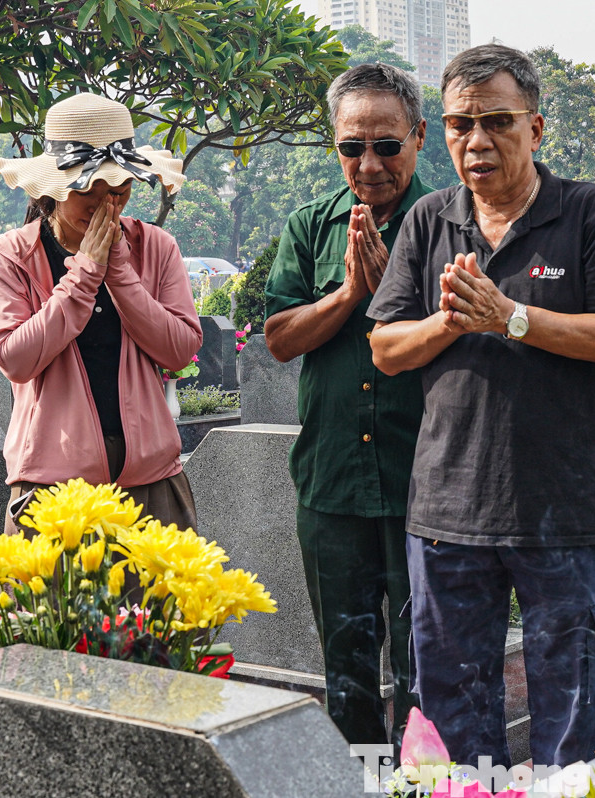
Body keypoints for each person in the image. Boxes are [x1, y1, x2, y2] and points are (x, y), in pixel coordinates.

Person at [366, 44, 595, 769]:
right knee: (454, 719)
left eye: (496, 121)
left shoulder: (588, 212)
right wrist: (451, 322)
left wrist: (512, 318)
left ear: (535, 127)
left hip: (559, 511)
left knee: (566, 716)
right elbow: (386, 348)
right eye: (460, 124)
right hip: (447, 512)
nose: (478, 141)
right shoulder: (429, 220)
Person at [262, 62, 430, 752]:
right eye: (351, 147)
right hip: (333, 484)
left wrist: (392, 292)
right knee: (347, 675)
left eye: (386, 145)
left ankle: (427, 789)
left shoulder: (449, 222)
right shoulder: (310, 226)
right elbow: (280, 338)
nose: (369, 165)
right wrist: (349, 294)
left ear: (419, 137)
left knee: (429, 673)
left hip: (426, 486)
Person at [0, 93, 202, 534]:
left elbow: (179, 350)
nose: (104, 204)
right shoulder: (10, 256)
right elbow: (16, 360)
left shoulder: (155, 247)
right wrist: (84, 275)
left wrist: (118, 270)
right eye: (86, 189)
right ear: (55, 189)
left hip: (150, 478)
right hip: (51, 485)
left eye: (118, 190)